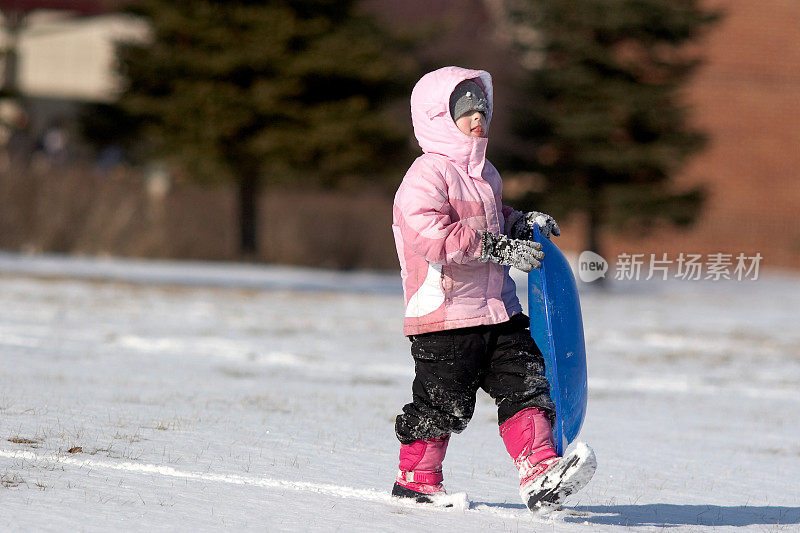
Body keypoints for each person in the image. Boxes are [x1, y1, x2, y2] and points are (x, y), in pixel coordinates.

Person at [390, 66, 592, 509]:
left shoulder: (487, 176)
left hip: (498, 312)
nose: (477, 116)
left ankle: (539, 469)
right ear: (437, 117)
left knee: (527, 384)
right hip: (444, 316)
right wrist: (493, 246)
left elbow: (496, 217)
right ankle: (416, 478)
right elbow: (432, 236)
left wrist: (522, 225)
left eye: (482, 107)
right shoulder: (426, 174)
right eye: (463, 109)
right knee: (444, 402)